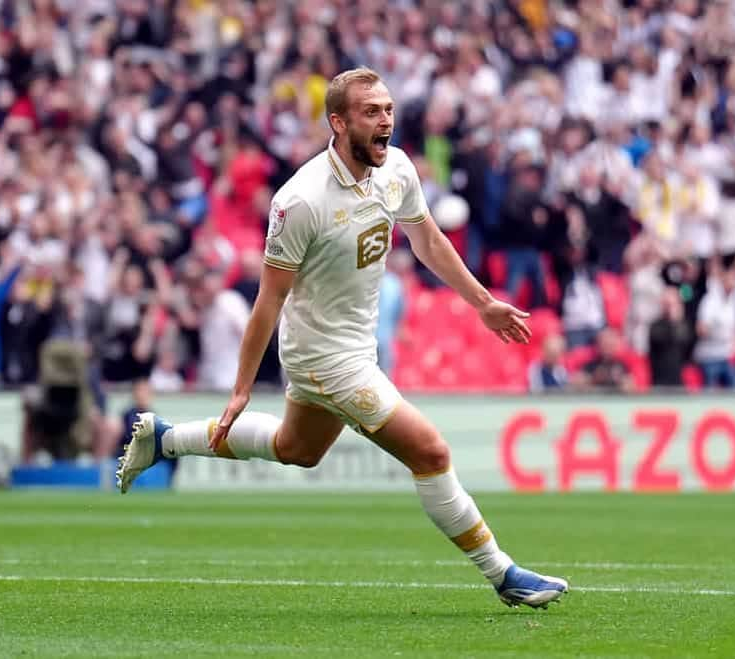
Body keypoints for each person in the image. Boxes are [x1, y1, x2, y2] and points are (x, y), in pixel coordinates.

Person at [117, 68, 567, 609]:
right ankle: (504, 575)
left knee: (296, 449)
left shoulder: (396, 168)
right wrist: (241, 387)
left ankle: (163, 438)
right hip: (321, 356)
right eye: (372, 112)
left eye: (389, 109)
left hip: (357, 346)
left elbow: (426, 239)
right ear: (338, 122)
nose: (386, 122)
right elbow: (269, 299)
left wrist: (483, 303)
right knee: (430, 450)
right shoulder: (300, 200)